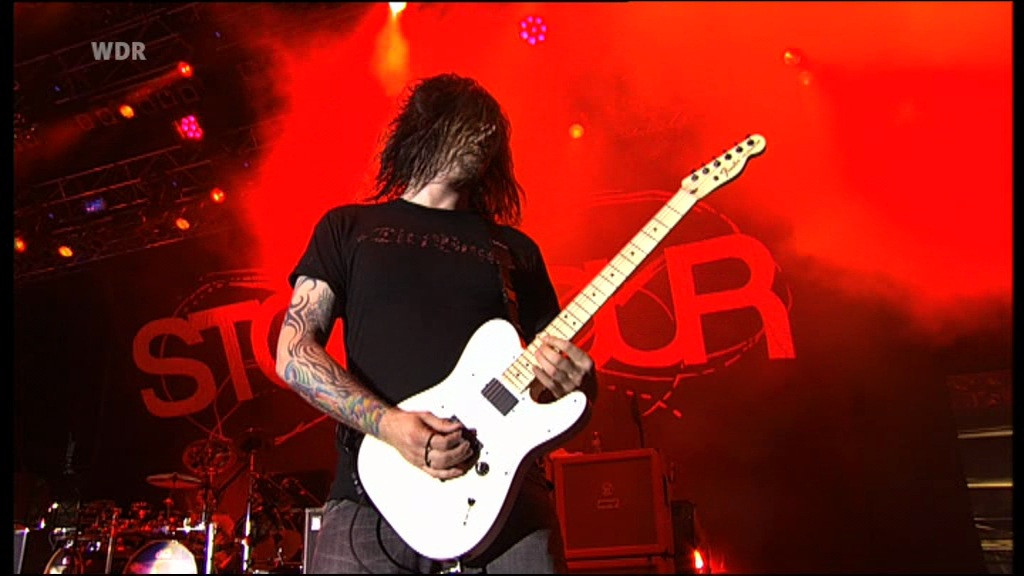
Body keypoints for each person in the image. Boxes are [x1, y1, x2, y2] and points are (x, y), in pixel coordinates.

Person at [275, 72, 597, 574]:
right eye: (469, 121)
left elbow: (560, 381)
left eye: (490, 130)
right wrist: (389, 426)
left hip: (506, 502)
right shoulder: (349, 228)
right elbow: (294, 354)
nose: (482, 136)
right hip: (370, 501)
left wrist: (578, 381)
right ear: (423, 127)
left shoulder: (514, 250)